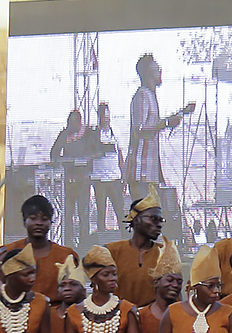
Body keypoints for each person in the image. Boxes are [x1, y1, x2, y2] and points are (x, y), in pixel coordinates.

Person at [125, 53, 195, 197]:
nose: (160, 73)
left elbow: (155, 124)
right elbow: (139, 129)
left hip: (150, 170)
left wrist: (182, 113)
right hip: (140, 170)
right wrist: (167, 123)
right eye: (157, 70)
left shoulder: (150, 95)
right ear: (148, 73)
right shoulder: (142, 95)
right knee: (144, 215)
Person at [8, 195, 76, 306]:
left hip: (55, 315)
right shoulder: (9, 252)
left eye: (44, 219)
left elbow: (75, 291)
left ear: (51, 223)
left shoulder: (66, 255)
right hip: (16, 315)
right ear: (24, 221)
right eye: (33, 218)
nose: (39, 223)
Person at [111, 192, 169, 308]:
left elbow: (173, 296)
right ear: (136, 220)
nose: (159, 225)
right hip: (118, 321)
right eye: (153, 219)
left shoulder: (165, 254)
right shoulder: (111, 252)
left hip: (153, 321)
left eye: (160, 220)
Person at [49, 109, 94, 247]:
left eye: (75, 123)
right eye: (70, 123)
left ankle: (84, 244)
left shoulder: (87, 135)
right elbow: (54, 153)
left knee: (83, 214)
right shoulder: (64, 135)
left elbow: (94, 152)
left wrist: (85, 162)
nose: (72, 126)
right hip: (69, 182)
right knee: (68, 214)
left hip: (83, 181)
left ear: (80, 123)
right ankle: (68, 244)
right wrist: (65, 160)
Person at [90, 103, 127, 235]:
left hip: (114, 177)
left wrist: (124, 175)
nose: (105, 118)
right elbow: (90, 152)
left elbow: (121, 155)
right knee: (101, 209)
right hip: (99, 178)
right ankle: (102, 235)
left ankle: (124, 235)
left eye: (106, 115)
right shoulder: (94, 133)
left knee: (119, 208)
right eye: (102, 115)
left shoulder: (116, 131)